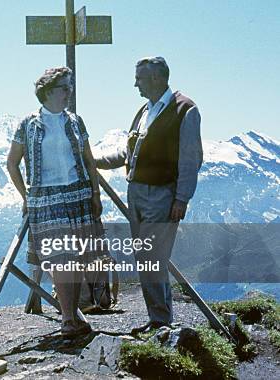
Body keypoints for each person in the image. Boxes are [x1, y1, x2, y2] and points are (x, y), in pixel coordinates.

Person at [96, 56, 203, 332]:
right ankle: (159, 318)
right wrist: (95, 160)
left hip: (162, 195)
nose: (135, 84)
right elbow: (127, 152)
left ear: (156, 78)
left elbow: (190, 160)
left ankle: (160, 321)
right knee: (145, 257)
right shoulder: (144, 110)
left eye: (139, 78)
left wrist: (182, 198)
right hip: (137, 194)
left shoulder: (185, 110)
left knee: (152, 257)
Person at [7, 67, 102, 338]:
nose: (68, 92)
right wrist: (26, 196)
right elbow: (11, 163)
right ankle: (69, 319)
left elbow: (88, 159)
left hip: (77, 195)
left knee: (77, 259)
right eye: (64, 88)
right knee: (60, 259)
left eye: (70, 87)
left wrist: (95, 194)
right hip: (46, 199)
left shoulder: (75, 121)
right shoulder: (28, 124)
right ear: (48, 92)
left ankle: (72, 317)